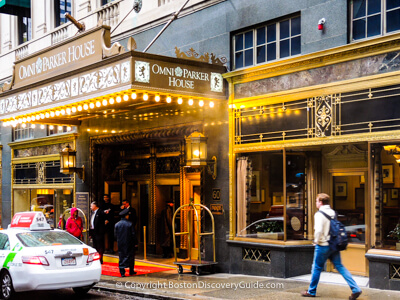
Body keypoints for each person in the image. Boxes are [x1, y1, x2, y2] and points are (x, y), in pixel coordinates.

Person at [301, 193, 362, 299]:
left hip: (323, 245)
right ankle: (355, 288)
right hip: (333, 244)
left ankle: (311, 291)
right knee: (340, 266)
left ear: (320, 202)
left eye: (316, 201)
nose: (316, 203)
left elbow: (319, 230)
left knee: (316, 267)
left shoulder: (319, 214)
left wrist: (316, 241)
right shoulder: (332, 212)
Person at [114, 208, 138, 277]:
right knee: (130, 256)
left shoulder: (117, 224)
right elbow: (133, 234)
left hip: (120, 243)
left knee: (121, 256)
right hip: (129, 243)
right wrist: (135, 243)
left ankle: (122, 272)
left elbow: (115, 235)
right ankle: (131, 270)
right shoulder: (130, 224)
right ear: (126, 216)